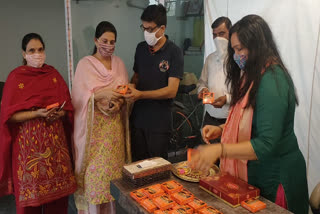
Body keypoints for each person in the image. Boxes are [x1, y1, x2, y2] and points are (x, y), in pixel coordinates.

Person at [189, 15, 309, 213]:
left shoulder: (272, 79)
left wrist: (220, 150)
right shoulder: (253, 75)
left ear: (257, 45)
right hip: (256, 174)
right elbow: (250, 120)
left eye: (239, 49)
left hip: (276, 175)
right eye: (234, 49)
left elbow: (267, 143)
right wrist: (221, 129)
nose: (237, 56)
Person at [0, 33, 76, 214]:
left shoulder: (53, 75)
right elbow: (8, 116)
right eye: (32, 50)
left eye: (40, 49)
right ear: (24, 53)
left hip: (55, 153)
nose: (37, 54)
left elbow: (68, 108)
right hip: (28, 153)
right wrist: (36, 113)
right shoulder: (15, 78)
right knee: (29, 205)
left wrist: (59, 113)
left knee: (57, 203)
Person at [72, 21, 131, 214]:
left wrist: (119, 103)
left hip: (113, 132)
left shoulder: (120, 64)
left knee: (111, 181)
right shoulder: (84, 65)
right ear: (96, 40)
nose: (108, 45)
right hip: (93, 136)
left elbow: (125, 93)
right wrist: (100, 95)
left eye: (112, 42)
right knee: (94, 178)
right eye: (104, 40)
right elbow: (78, 99)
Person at [125, 4, 184, 161]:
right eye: (144, 28)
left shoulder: (174, 52)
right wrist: (129, 88)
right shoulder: (141, 49)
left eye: (150, 29)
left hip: (159, 122)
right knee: (138, 165)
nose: (146, 33)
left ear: (162, 29)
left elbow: (171, 90)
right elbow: (136, 77)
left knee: (157, 168)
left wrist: (141, 94)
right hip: (138, 119)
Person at [197, 17, 232, 131]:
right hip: (210, 117)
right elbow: (202, 82)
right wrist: (202, 90)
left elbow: (245, 92)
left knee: (228, 149)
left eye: (222, 33)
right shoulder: (210, 59)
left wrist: (227, 99)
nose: (218, 38)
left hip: (230, 118)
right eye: (214, 35)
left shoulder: (238, 59)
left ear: (231, 33)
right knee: (207, 146)